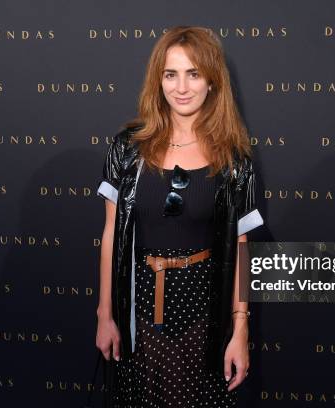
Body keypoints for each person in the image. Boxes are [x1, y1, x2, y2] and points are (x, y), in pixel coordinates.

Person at [95, 26, 264, 408]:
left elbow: (241, 251)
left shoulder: (235, 159)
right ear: (158, 80)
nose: (181, 87)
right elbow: (110, 234)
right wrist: (105, 314)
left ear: (212, 82)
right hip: (137, 307)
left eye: (193, 74)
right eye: (171, 74)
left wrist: (240, 330)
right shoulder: (127, 148)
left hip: (205, 312)